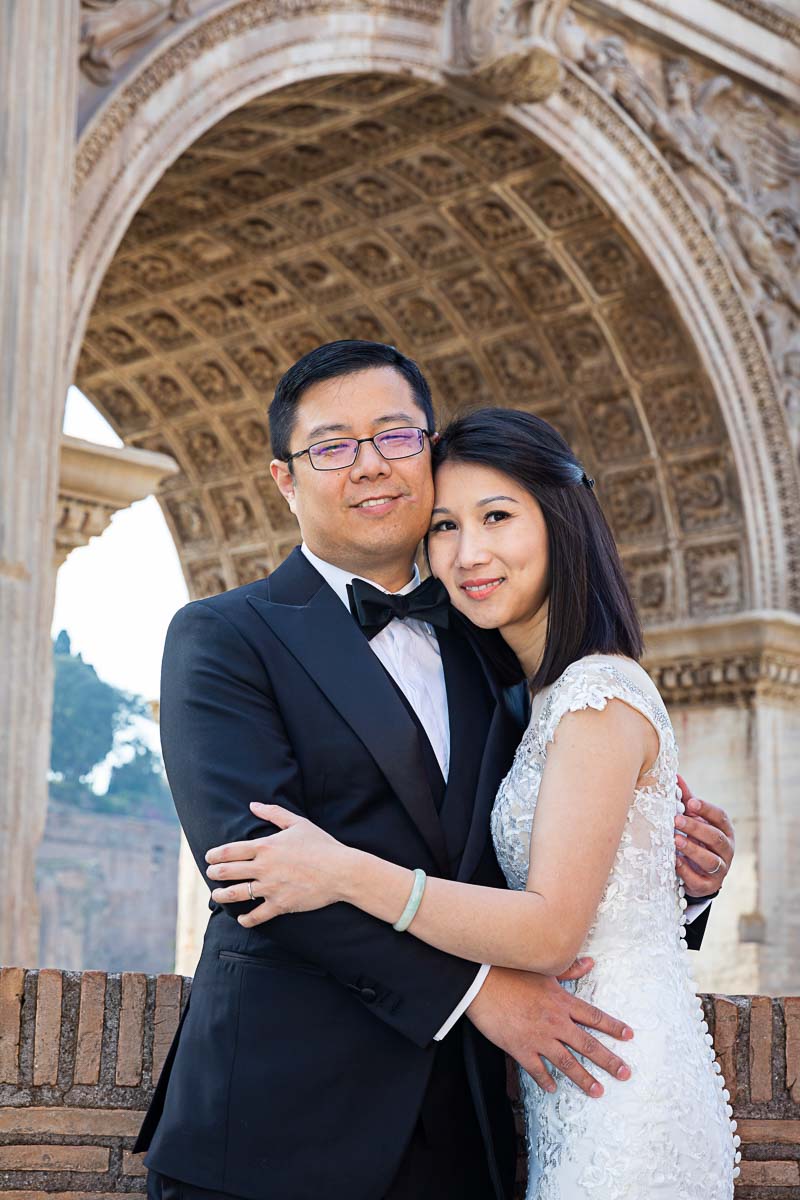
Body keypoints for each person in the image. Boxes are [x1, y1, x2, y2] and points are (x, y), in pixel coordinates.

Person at [137, 342, 734, 1200]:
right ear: (284, 479)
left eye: (395, 435)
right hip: (272, 1122)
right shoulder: (223, 636)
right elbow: (253, 870)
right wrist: (476, 992)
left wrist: (679, 876)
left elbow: (542, 861)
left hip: (464, 1133)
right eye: (333, 445)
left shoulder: (500, 649)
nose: (370, 464)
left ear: (427, 449)